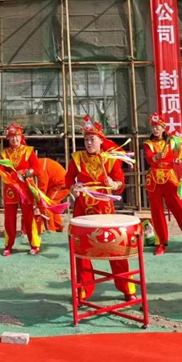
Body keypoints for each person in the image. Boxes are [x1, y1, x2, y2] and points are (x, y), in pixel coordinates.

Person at [65, 117, 135, 300]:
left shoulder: (110, 159)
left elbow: (120, 183)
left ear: (101, 140)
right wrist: (73, 188)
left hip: (105, 209)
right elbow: (68, 178)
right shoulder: (77, 158)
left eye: (92, 139)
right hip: (82, 208)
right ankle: (83, 290)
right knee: (81, 250)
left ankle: (127, 288)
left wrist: (112, 183)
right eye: (86, 140)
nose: (89, 143)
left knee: (115, 247)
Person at [143, 113, 182, 255]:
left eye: (158, 126)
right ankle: (161, 243)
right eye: (153, 126)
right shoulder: (148, 144)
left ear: (163, 128)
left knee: (180, 211)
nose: (155, 129)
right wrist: (156, 157)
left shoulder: (173, 141)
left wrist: (178, 159)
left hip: (170, 180)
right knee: (157, 213)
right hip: (154, 181)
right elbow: (149, 159)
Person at [0, 123, 41, 256]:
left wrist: (28, 172)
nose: (14, 139)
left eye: (17, 136)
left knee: (29, 216)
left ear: (21, 137)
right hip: (11, 189)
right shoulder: (4, 154)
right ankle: (8, 246)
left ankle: (34, 244)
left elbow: (36, 167)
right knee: (9, 218)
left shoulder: (28, 151)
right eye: (12, 137)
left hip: (25, 188)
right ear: (8, 139)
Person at [36, 156, 69, 234]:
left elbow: (42, 189)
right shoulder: (41, 163)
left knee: (47, 207)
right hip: (59, 184)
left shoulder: (41, 169)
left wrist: (38, 203)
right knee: (53, 207)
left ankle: (51, 231)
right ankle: (58, 229)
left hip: (61, 185)